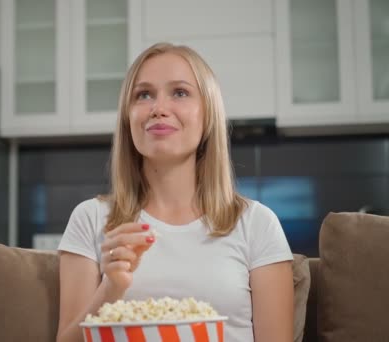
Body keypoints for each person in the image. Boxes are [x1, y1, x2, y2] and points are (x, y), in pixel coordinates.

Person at [55, 42, 294, 342]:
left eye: (180, 93)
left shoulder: (257, 224)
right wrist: (110, 288)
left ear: (208, 115)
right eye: (144, 95)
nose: (158, 109)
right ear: (128, 119)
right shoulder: (90, 219)